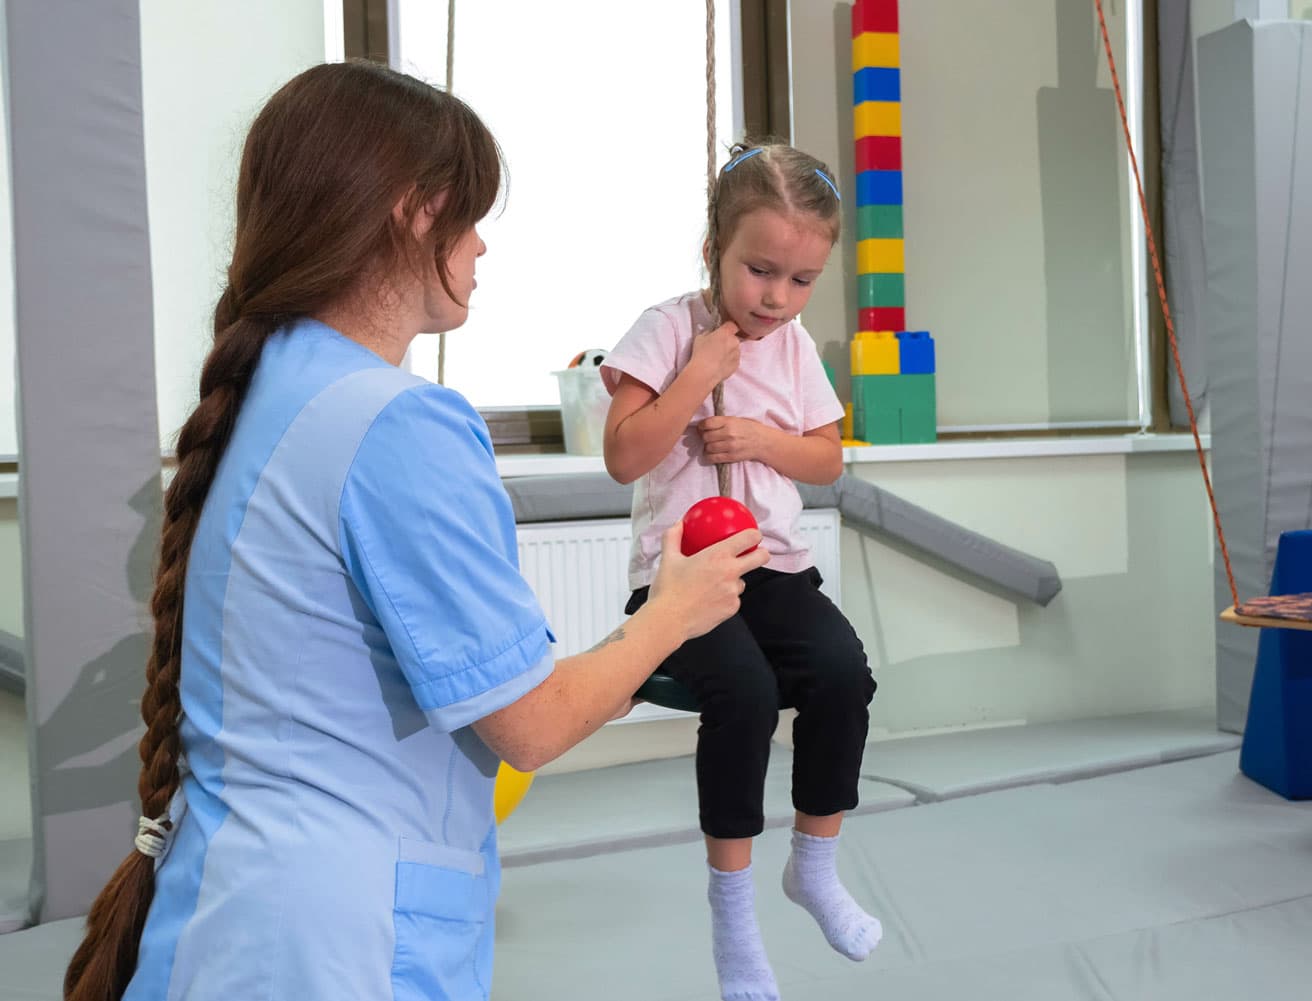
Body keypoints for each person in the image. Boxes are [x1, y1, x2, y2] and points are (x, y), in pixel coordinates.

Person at [62, 61, 765, 1001]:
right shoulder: (398, 421)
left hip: (232, 914)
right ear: (410, 212)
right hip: (335, 943)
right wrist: (671, 613)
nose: (481, 249)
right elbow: (534, 722)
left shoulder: (269, 389)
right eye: (469, 217)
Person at [601, 141, 881, 1001]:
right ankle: (733, 912)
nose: (777, 298)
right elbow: (622, 455)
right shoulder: (667, 329)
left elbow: (827, 459)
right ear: (714, 249)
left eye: (801, 281)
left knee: (843, 676)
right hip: (683, 575)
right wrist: (696, 379)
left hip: (771, 565)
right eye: (760, 271)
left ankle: (815, 864)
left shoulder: (793, 347)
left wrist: (760, 440)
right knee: (747, 696)